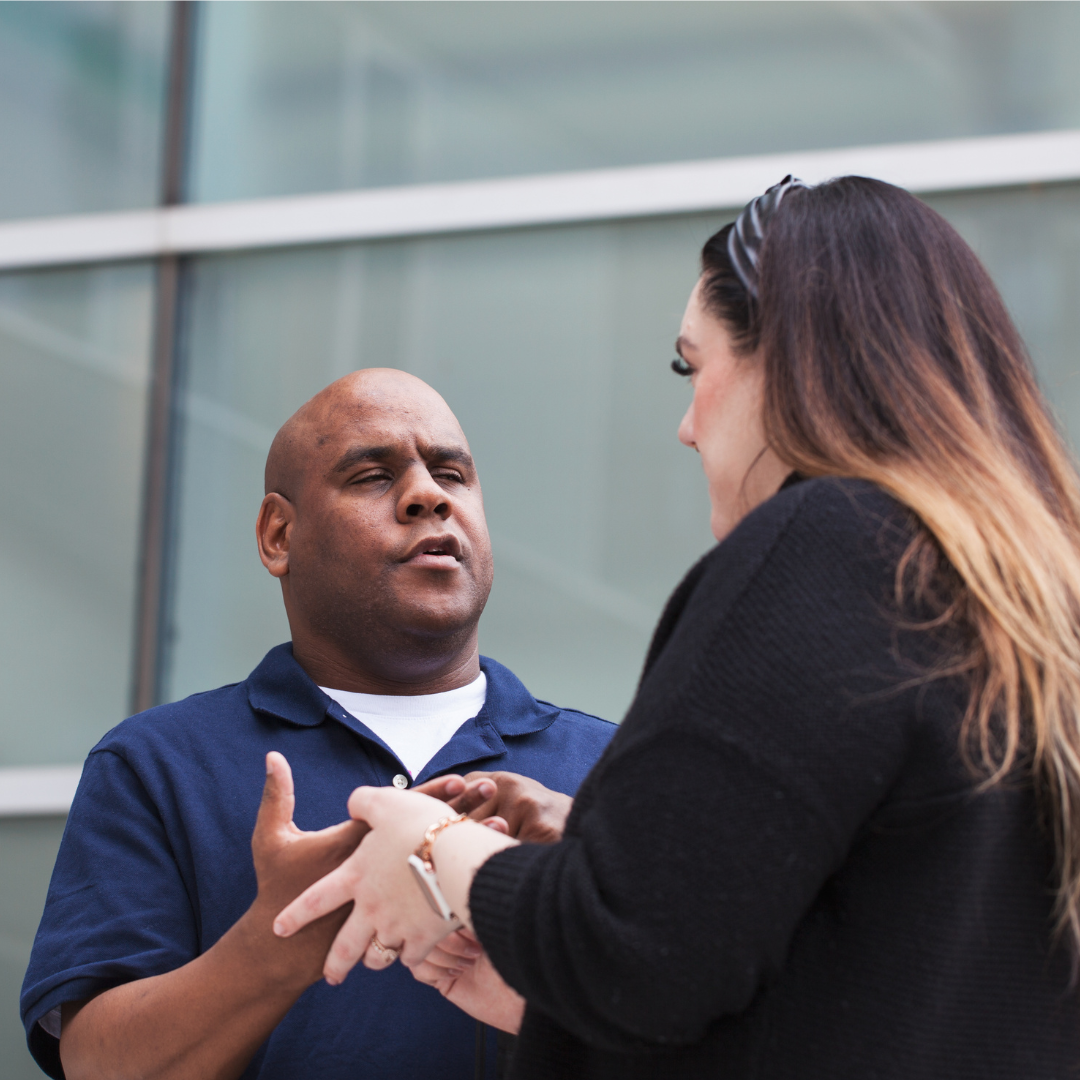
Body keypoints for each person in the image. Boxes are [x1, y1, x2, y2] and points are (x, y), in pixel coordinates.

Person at [275, 177, 1080, 1077]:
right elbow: (877, 971)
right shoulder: (1022, 602)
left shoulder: (825, 542)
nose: (689, 426)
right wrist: (582, 917)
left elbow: (638, 947)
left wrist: (427, 850)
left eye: (690, 368)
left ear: (789, 357)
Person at [20, 369, 615, 1080]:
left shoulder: (614, 768)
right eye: (371, 475)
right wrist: (277, 946)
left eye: (452, 474)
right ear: (279, 535)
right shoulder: (156, 765)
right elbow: (99, 1066)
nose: (430, 495)